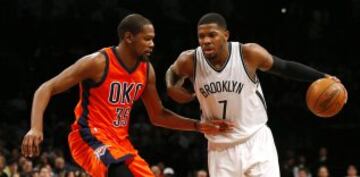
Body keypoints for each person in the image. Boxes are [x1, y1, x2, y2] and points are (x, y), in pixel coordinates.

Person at [21, 14, 233, 177]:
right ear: (129, 37)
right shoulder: (98, 62)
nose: (152, 44)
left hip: (122, 144)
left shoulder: (146, 70)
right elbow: (46, 88)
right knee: (119, 173)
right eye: (147, 39)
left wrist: (198, 125)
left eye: (153, 39)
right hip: (89, 138)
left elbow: (158, 115)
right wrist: (35, 127)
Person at [166, 12, 345, 177]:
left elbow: (284, 67)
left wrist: (321, 76)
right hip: (220, 148)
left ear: (225, 35)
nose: (205, 40)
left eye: (212, 35)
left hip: (256, 140)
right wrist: (171, 86)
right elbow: (172, 73)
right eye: (201, 36)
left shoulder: (248, 54)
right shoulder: (189, 61)